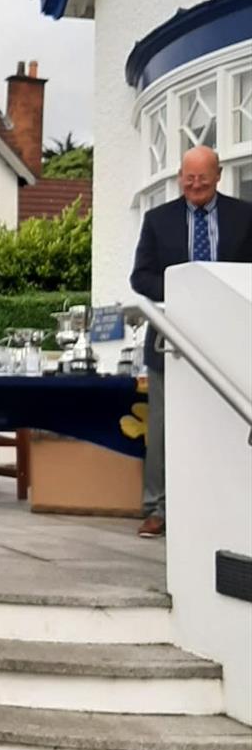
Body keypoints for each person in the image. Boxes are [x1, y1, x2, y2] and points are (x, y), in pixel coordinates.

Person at [129, 144, 252, 538]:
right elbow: (140, 277)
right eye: (188, 176)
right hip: (172, 343)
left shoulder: (245, 216)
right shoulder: (157, 220)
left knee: (227, 424)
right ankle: (157, 509)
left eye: (202, 176)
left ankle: (229, 503)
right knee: (163, 431)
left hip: (230, 340)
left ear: (218, 176)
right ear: (179, 177)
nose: (194, 184)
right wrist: (185, 289)